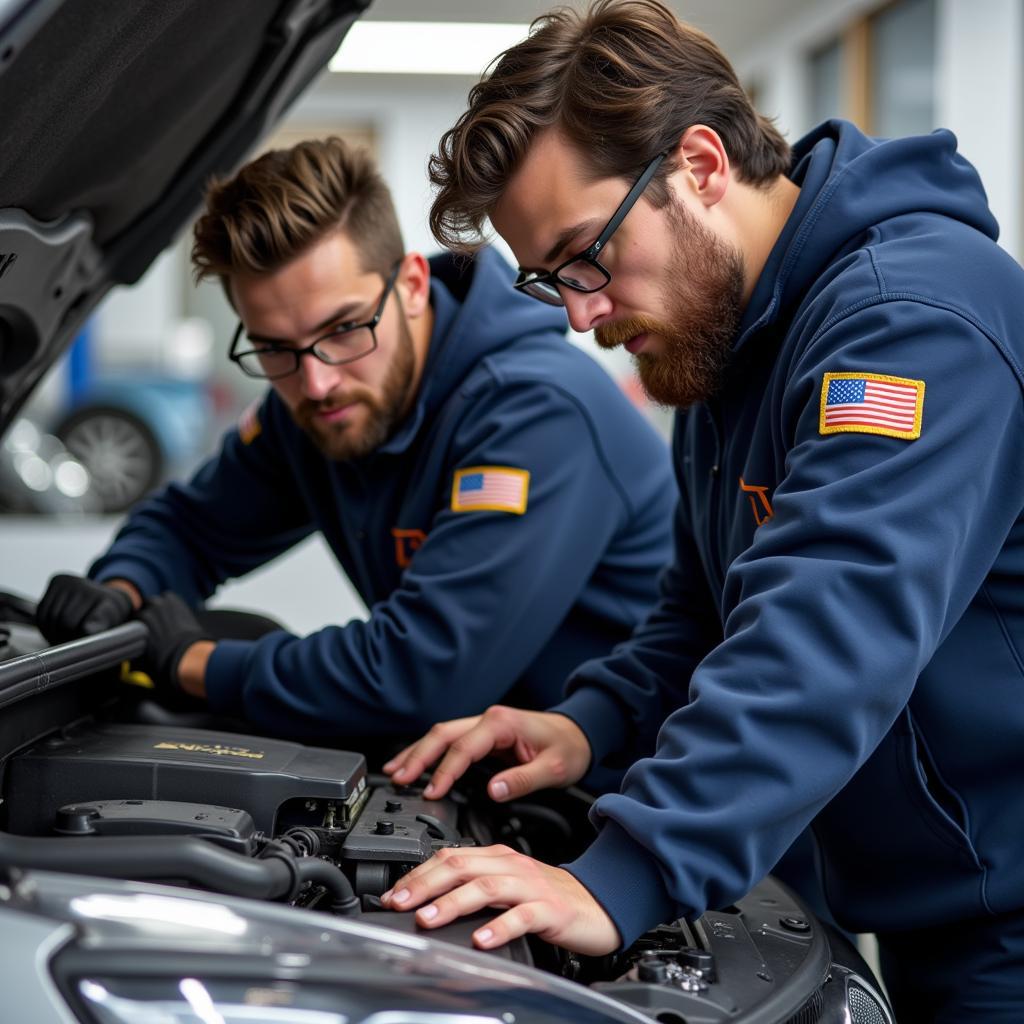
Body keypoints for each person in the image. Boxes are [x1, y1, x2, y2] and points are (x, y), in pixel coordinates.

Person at [378, 2, 1024, 1019]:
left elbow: (826, 630)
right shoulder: (726, 352)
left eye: (585, 255)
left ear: (701, 164)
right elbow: (703, 613)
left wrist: (622, 873)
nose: (583, 316)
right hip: (927, 898)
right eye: (553, 283)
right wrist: (585, 725)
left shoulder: (910, 324)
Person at [36, 136, 675, 746]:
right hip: (481, 764)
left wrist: (194, 662)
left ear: (413, 287)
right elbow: (190, 526)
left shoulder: (536, 411)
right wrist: (121, 590)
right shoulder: (317, 404)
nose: (316, 381)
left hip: (632, 786)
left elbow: (422, 673)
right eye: (274, 349)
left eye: (343, 329)